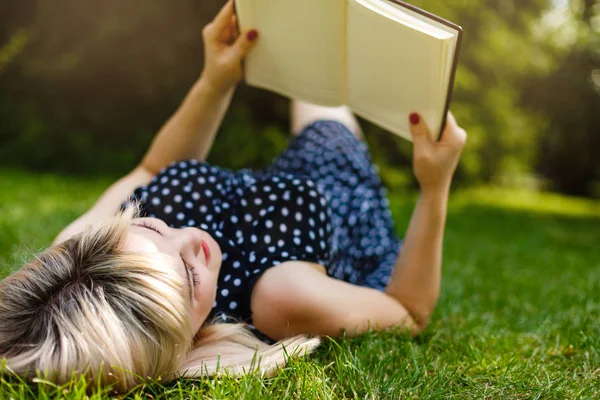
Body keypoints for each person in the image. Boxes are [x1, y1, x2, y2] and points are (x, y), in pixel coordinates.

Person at [0, 0, 467, 393]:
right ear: (188, 343)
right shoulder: (286, 296)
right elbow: (411, 311)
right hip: (333, 193)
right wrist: (435, 185)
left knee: (311, 36)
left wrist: (215, 80)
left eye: (149, 225)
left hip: (259, 197)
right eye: (187, 275)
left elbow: (151, 170)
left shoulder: (83, 249)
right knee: (330, 80)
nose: (190, 239)